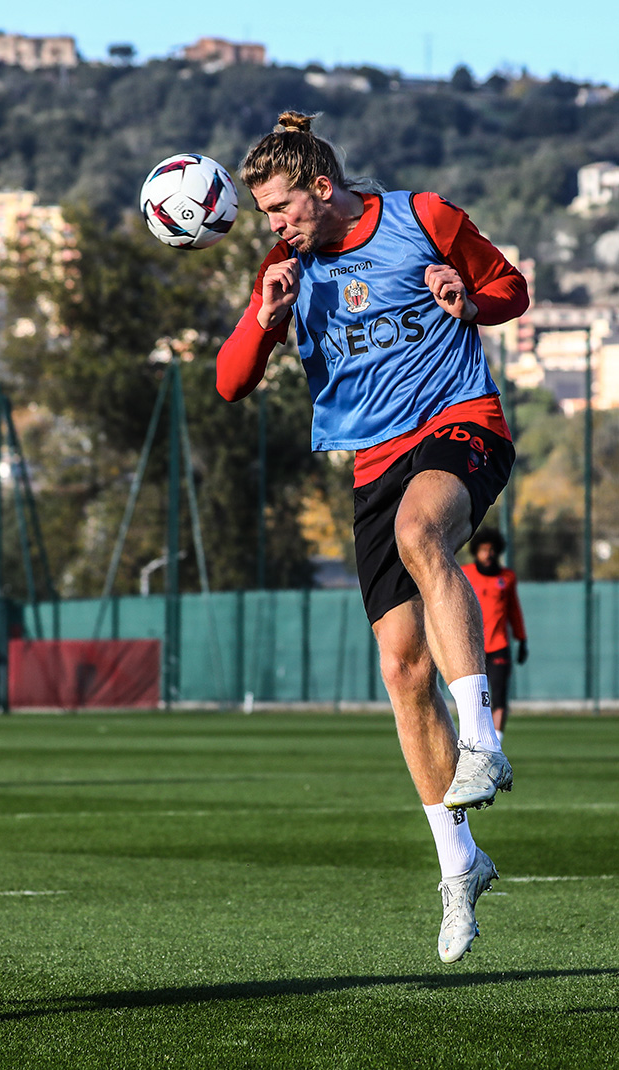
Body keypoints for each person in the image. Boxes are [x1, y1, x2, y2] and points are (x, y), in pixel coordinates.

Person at [216, 112, 530, 963]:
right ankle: (458, 862)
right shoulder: (285, 268)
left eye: (282, 208)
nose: (274, 226)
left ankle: (484, 742)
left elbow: (512, 290)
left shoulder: (423, 217)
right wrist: (264, 314)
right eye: (265, 216)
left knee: (424, 529)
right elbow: (230, 383)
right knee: (399, 666)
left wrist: (470, 299)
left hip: (462, 424)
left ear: (323, 187)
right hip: (372, 465)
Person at [462, 527, 527, 743]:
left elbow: (514, 611)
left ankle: (496, 743)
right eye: (483, 549)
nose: (487, 554)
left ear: (497, 551)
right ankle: (473, 739)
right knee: (473, 698)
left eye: (491, 549)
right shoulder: (465, 573)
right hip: (472, 647)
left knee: (498, 696)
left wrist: (522, 639)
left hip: (499, 645)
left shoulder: (507, 578)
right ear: (475, 552)